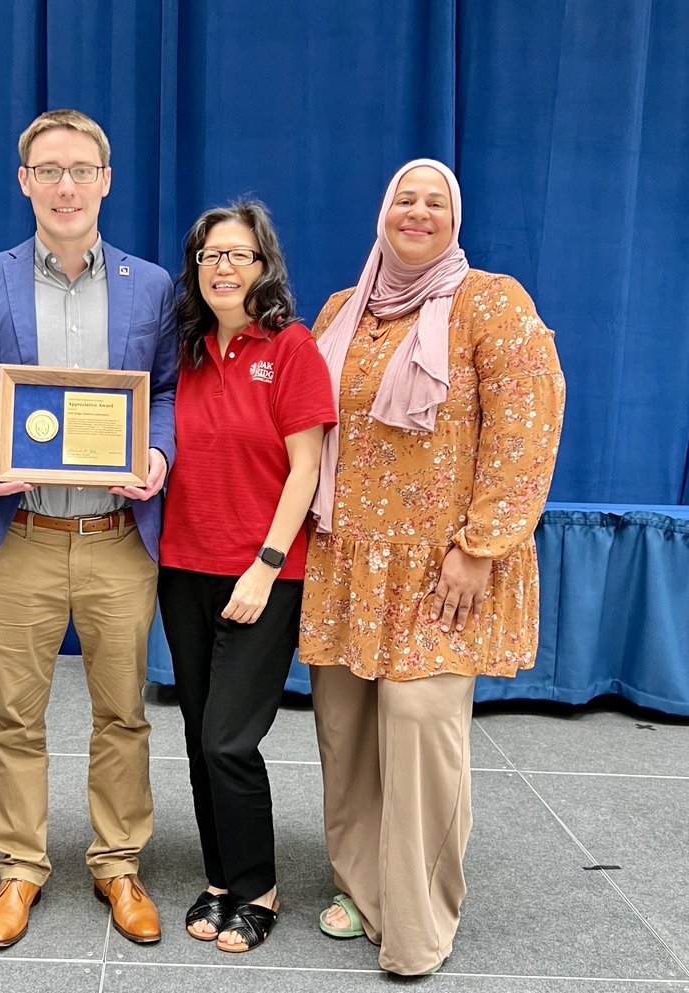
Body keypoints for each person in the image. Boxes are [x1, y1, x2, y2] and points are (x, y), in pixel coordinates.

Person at [301, 159, 565, 975]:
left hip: (441, 568)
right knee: (346, 734)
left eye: (435, 201)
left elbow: (525, 429)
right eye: (404, 199)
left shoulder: (492, 302)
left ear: (455, 219)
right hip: (346, 556)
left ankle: (417, 923)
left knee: (420, 732)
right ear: (383, 213)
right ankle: (362, 886)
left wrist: (480, 549)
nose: (418, 212)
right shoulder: (343, 310)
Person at [0, 109, 177, 949]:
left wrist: (156, 447)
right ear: (25, 181)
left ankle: (117, 861)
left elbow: (173, 391)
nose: (66, 185)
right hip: (25, 531)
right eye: (49, 169)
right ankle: (20, 867)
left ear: (107, 180)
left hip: (119, 535)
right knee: (16, 714)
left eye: (81, 169)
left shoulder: (151, 285)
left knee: (124, 713)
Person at [158, 201, 335, 952]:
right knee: (201, 735)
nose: (222, 268)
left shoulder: (291, 348)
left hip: (262, 572)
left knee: (231, 738)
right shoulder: (183, 350)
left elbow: (307, 468)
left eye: (238, 255)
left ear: (264, 267)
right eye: (209, 256)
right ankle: (221, 878)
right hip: (182, 566)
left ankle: (258, 884)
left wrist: (266, 565)